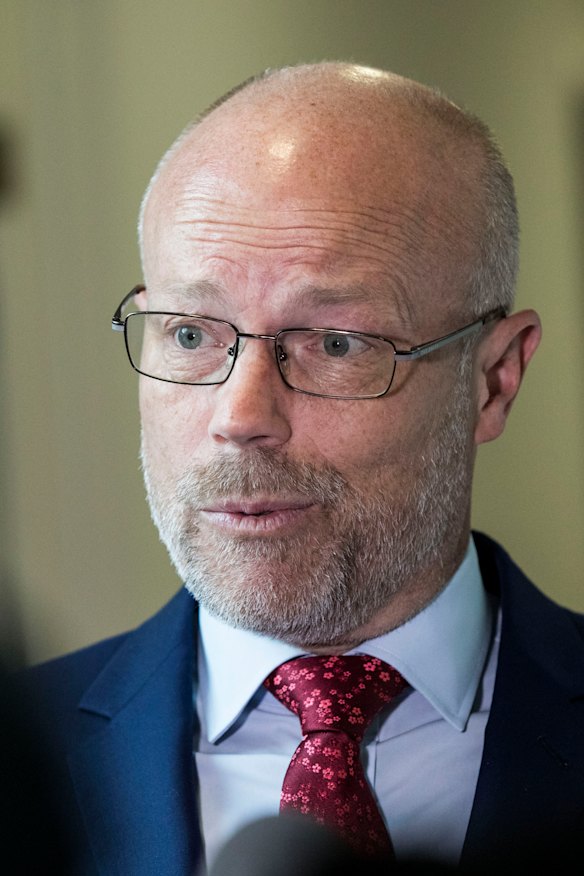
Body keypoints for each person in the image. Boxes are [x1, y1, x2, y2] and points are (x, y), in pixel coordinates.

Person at [22, 63, 583, 875]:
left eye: (336, 343)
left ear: (494, 380)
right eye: (190, 334)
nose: (241, 417)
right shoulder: (20, 751)